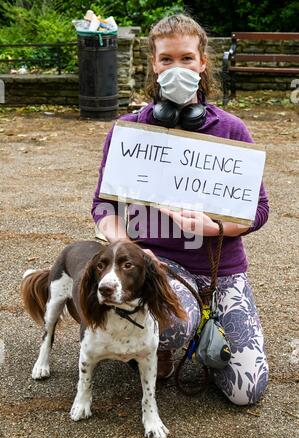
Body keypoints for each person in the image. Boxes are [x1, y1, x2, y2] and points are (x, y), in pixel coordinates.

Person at [91, 14, 269, 405]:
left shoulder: (232, 130)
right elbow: (102, 206)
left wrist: (217, 226)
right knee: (173, 325)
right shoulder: (128, 131)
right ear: (154, 63)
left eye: (186, 58)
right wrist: (127, 248)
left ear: (202, 62)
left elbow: (258, 209)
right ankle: (165, 347)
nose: (177, 68)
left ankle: (205, 342)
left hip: (222, 271)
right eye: (167, 59)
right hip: (161, 267)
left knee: (247, 392)